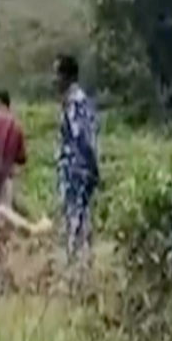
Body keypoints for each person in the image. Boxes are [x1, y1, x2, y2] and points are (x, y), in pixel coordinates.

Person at [54, 55, 100, 265]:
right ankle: (80, 265)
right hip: (75, 170)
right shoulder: (75, 101)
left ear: (67, 76)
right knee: (77, 218)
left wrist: (92, 167)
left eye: (57, 74)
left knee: (75, 219)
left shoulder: (75, 103)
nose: (54, 80)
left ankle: (75, 267)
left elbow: (83, 137)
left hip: (76, 171)